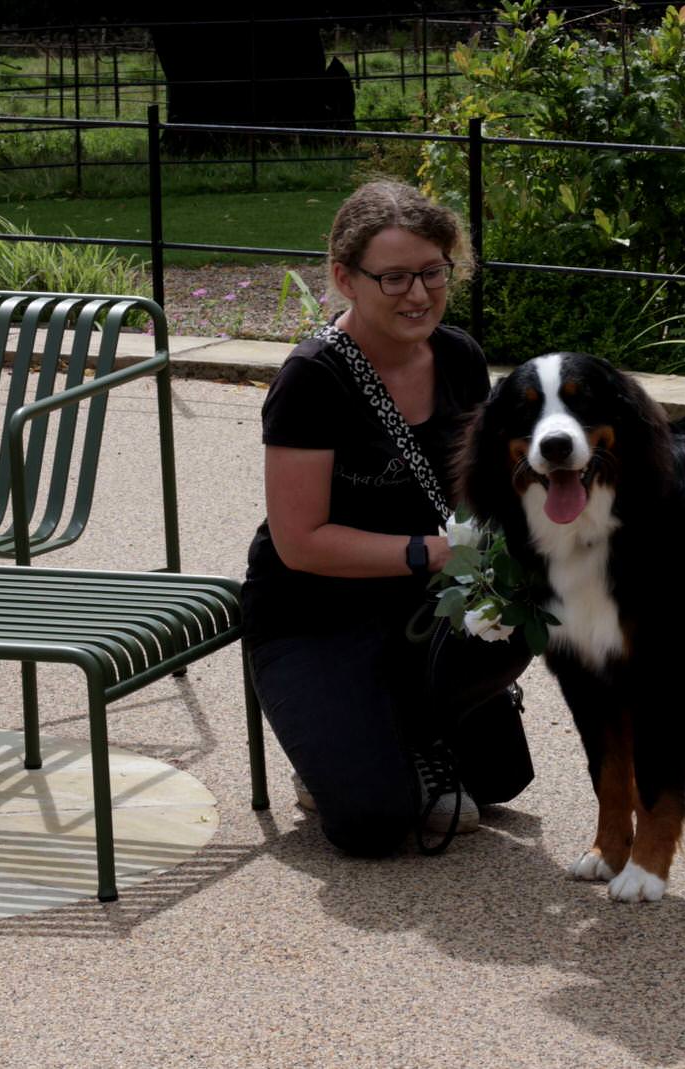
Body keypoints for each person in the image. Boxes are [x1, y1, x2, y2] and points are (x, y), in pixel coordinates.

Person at [242, 180, 533, 856]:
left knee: (500, 778)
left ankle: (417, 725)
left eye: (434, 272)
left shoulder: (458, 356)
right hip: (313, 613)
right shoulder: (312, 378)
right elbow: (300, 542)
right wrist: (431, 552)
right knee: (372, 826)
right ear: (346, 278)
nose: (419, 294)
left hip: (420, 604)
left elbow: (474, 489)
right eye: (394, 277)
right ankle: (347, 742)